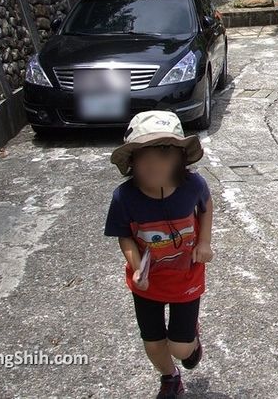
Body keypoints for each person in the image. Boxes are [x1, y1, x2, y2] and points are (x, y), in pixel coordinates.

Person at [104, 110, 214, 398]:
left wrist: (204, 242)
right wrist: (136, 265)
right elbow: (124, 235)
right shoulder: (124, 197)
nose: (154, 164)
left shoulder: (193, 186)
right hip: (147, 283)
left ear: (180, 158)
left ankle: (191, 336)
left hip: (185, 276)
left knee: (181, 348)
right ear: (132, 161)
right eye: (144, 156)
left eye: (164, 155)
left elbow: (206, 206)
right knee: (153, 343)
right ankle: (169, 377)